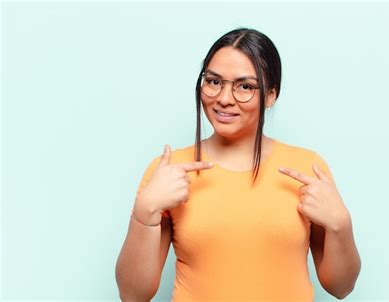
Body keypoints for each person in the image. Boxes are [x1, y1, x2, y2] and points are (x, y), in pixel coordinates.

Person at [115, 27, 361, 302]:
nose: (224, 98)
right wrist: (144, 215)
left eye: (245, 86)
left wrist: (341, 224)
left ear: (271, 95)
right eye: (213, 81)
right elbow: (132, 295)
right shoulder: (170, 170)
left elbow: (341, 287)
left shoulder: (306, 167)